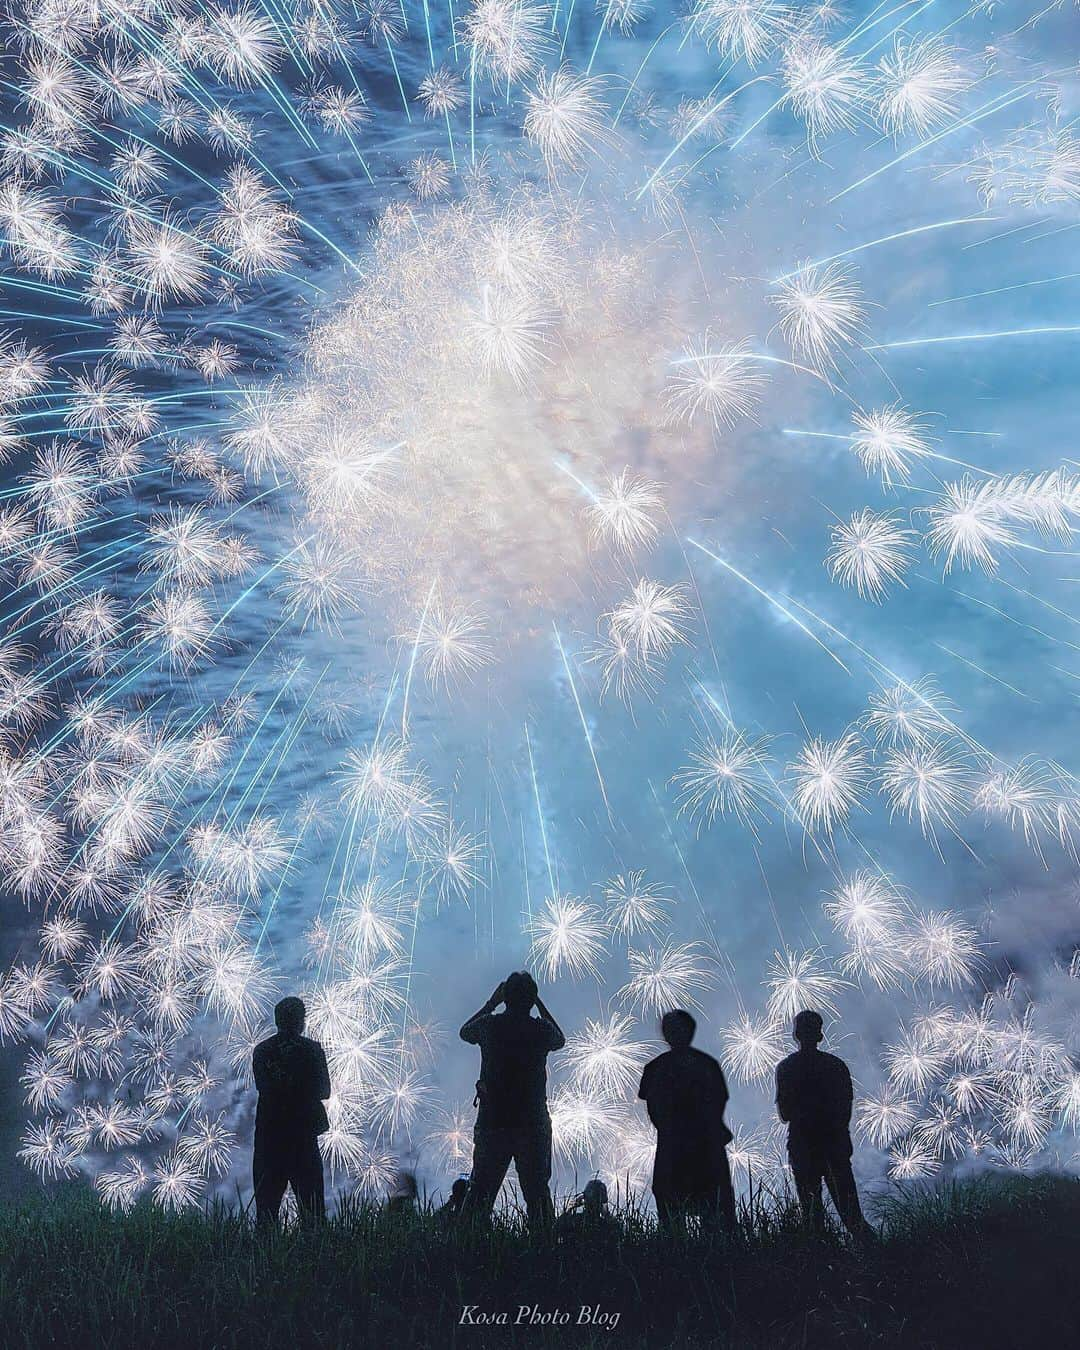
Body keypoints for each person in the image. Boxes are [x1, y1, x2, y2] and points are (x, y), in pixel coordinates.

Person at [458, 971, 565, 1230]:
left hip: (494, 1121)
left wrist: (492, 1003)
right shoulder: (539, 1030)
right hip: (533, 1122)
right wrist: (540, 1004)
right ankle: (543, 1250)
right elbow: (559, 1039)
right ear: (531, 998)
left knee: (481, 1190)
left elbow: (464, 1032)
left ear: (507, 997)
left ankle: (467, 1249)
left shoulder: (490, 1026)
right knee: (538, 1194)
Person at [774, 1009, 873, 1240]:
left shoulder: (787, 1068)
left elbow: (785, 1114)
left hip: (803, 1148)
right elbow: (845, 1112)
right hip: (834, 1147)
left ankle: (822, 1267)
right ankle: (883, 1262)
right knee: (853, 1217)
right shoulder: (836, 1066)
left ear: (796, 1034)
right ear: (820, 1035)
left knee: (812, 1218)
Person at [637, 1009, 736, 1234]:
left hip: (689, 1145)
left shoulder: (657, 1068)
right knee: (702, 1206)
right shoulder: (706, 1064)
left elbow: (651, 1103)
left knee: (695, 1206)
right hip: (694, 1145)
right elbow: (720, 1099)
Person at [252, 996, 331, 1226]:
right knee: (314, 1213)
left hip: (270, 1139)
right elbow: (324, 1091)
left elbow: (265, 1089)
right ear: (301, 1021)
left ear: (277, 1021)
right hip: (303, 1138)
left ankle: (265, 1259)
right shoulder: (313, 1050)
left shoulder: (262, 1051)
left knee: (266, 1214)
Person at [555, 1178, 619, 1244]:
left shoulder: (573, 1220)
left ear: (584, 1199)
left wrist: (571, 1207)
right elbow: (618, 1231)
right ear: (602, 1203)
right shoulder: (607, 1227)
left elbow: (555, 1228)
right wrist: (606, 1214)